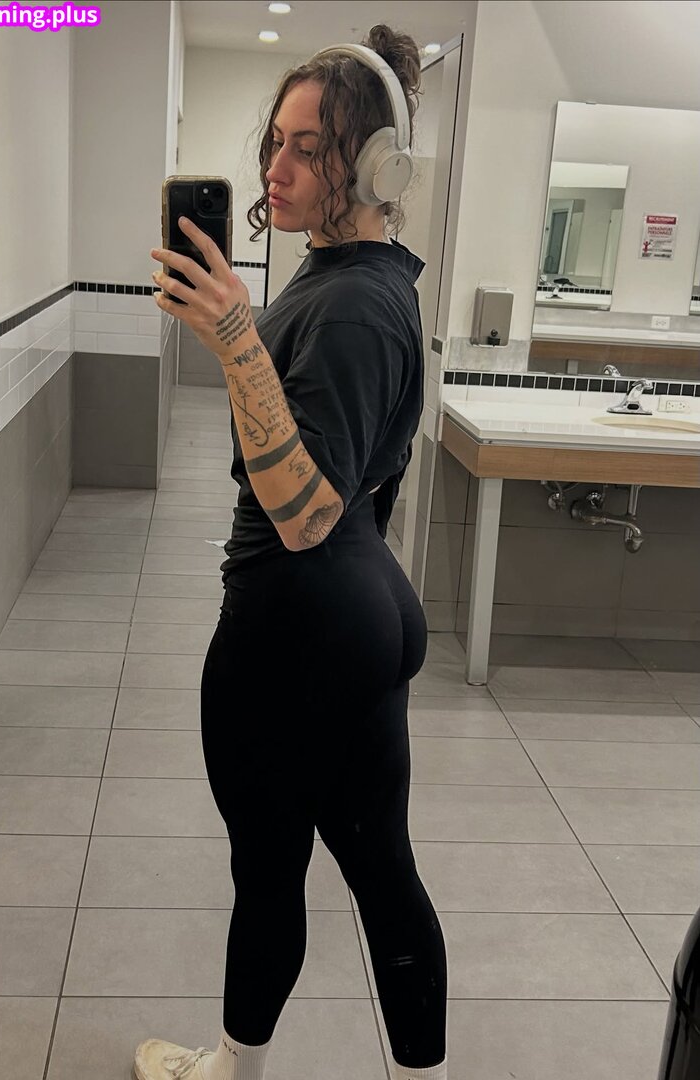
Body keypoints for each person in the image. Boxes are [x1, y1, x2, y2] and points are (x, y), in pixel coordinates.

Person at [136, 23, 448, 1080]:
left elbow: (306, 511)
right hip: (355, 603)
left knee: (270, 871)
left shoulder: (354, 304)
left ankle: (230, 1071)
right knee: (381, 871)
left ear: (374, 166)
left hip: (299, 615)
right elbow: (356, 485)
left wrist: (233, 340)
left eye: (308, 149)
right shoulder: (361, 278)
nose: (277, 166)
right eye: (276, 140)